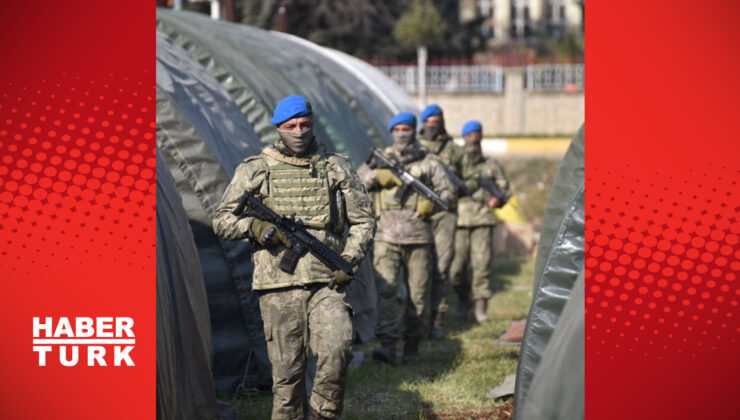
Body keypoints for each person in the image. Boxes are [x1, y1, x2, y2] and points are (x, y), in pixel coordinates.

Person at [212, 95, 375, 420]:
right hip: (277, 287)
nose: (299, 132)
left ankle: (323, 414)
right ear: (278, 128)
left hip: (326, 283)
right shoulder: (255, 169)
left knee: (337, 350)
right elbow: (221, 220)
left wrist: (350, 259)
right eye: (291, 126)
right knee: (287, 378)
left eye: (304, 125)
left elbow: (363, 220)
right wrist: (255, 227)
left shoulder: (335, 167)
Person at [358, 112, 455, 365]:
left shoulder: (429, 162)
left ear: (414, 131)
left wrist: (429, 205)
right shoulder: (381, 159)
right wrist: (377, 177)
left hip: (419, 237)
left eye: (406, 128)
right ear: (391, 132)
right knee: (386, 291)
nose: (401, 133)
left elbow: (449, 194)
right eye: (397, 129)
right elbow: (354, 184)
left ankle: (412, 344)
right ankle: (387, 346)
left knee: (418, 295)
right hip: (385, 236)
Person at [449, 120, 511, 323]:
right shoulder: (456, 163)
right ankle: (463, 299)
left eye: (477, 135)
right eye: (470, 135)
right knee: (456, 269)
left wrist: (498, 198)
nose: (473, 139)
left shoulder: (490, 165)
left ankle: (480, 309)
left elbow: (505, 188)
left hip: (483, 219)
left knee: (481, 266)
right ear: (464, 138)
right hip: (459, 220)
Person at [417, 104, 466, 339]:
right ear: (423, 122)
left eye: (437, 120)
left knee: (441, 268)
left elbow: (471, 179)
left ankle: (437, 320)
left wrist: (455, 188)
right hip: (419, 213)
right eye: (429, 120)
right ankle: (417, 319)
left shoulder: (455, 151)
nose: (433, 125)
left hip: (445, 214)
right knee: (418, 268)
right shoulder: (414, 147)